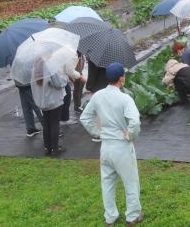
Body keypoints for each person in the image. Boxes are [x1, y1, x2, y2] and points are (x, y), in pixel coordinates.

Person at [80, 62, 143, 227]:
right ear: (121, 79)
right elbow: (135, 122)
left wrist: (97, 133)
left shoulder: (98, 96)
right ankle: (133, 216)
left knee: (107, 183)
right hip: (121, 147)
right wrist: (130, 135)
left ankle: (110, 217)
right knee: (130, 182)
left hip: (105, 147)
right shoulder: (125, 98)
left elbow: (84, 118)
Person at [31, 62, 68, 156]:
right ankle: (55, 149)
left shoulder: (35, 68)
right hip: (53, 100)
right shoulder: (51, 67)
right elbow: (58, 83)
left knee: (47, 124)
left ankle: (47, 148)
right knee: (55, 124)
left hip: (43, 101)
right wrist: (65, 77)